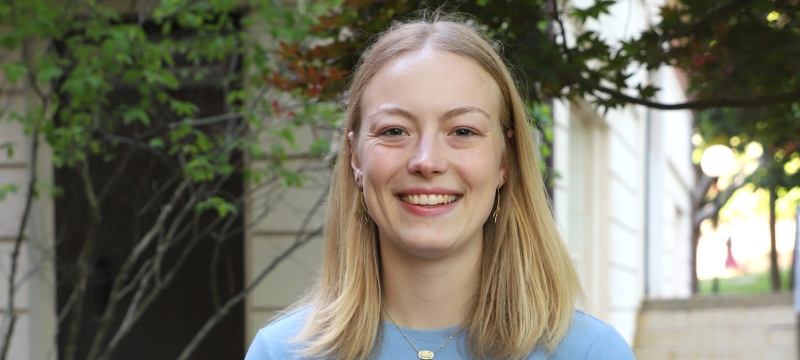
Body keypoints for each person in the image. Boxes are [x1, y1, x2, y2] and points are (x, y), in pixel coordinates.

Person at [246, 12, 635, 360]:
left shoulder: (591, 353)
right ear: (355, 158)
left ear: (505, 161)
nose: (426, 161)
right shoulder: (280, 353)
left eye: (462, 131)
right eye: (394, 131)